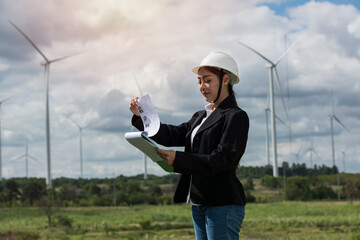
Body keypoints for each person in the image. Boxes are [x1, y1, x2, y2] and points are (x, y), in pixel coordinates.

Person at [129, 51, 249, 240]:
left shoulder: (236, 116)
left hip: (222, 203)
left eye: (207, 80)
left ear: (225, 79)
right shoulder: (200, 117)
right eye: (199, 81)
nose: (202, 86)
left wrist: (179, 159)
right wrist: (141, 116)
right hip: (198, 202)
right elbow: (170, 135)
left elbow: (222, 160)